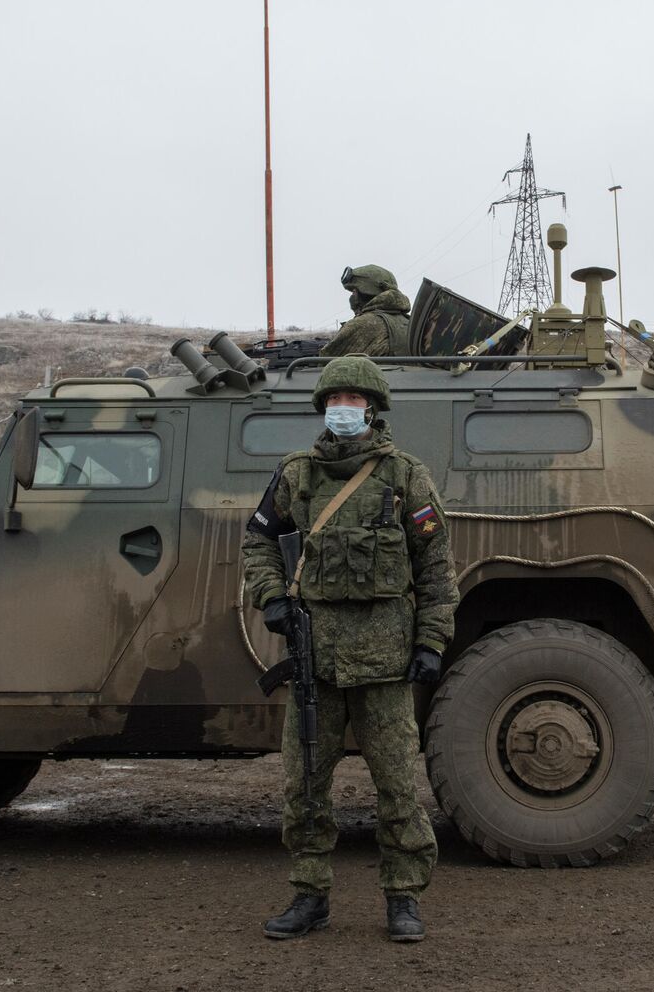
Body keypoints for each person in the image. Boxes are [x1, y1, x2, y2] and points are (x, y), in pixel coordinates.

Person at [241, 354, 456, 942]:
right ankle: (310, 895)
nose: (343, 409)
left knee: (397, 787)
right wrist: (272, 599)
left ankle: (403, 898)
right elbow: (258, 541)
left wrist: (432, 640)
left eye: (354, 401)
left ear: (373, 408)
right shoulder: (296, 475)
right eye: (334, 400)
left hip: (385, 663)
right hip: (317, 662)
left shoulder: (405, 476)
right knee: (305, 785)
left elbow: (436, 568)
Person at [320, 265, 412, 357]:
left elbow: (326, 361)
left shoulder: (362, 324)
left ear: (364, 291)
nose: (352, 296)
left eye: (354, 292)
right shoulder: (409, 322)